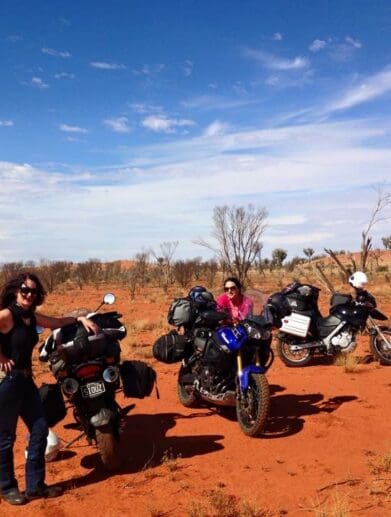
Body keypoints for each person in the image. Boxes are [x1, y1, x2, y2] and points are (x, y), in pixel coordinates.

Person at [0, 272, 99, 506]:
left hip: (25, 381)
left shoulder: (31, 317)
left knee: (40, 429)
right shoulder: (7, 315)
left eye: (33, 291)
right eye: (25, 290)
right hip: (7, 383)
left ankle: (35, 486)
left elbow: (56, 322)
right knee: (5, 438)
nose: (28, 295)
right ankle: (7, 487)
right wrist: (1, 356)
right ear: (16, 291)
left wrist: (80, 319)